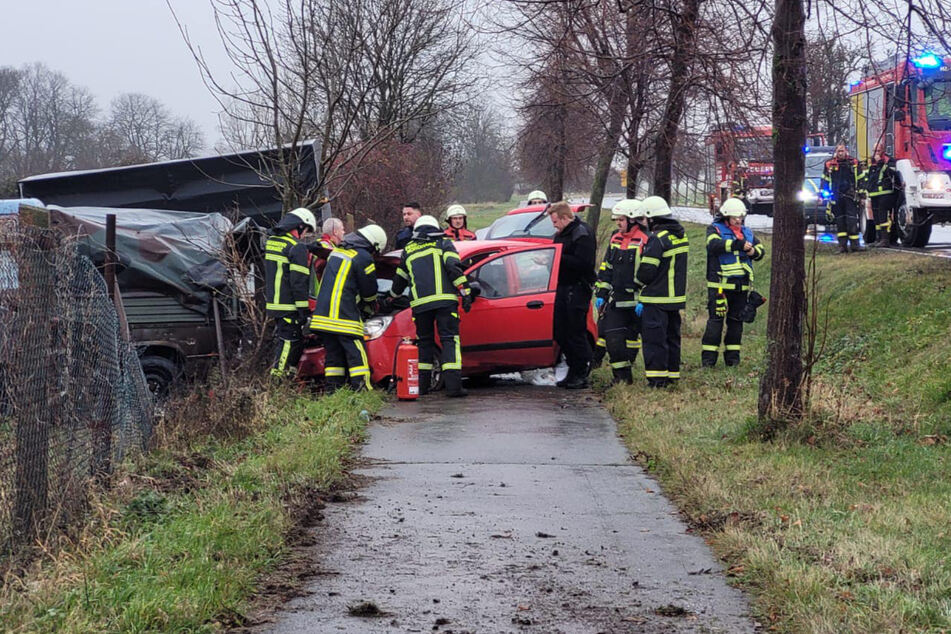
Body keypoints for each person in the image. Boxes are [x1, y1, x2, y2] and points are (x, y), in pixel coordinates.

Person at [389, 215, 474, 397]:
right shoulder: (443, 243)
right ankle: (453, 387)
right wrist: (465, 291)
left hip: (420, 306)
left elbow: (399, 282)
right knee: (449, 340)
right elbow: (453, 267)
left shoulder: (408, 249)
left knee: (425, 344)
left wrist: (390, 299)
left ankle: (423, 386)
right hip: (445, 302)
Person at [310, 223, 388, 391]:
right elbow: (369, 291)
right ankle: (363, 389)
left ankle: (333, 391)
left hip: (322, 316)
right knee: (357, 352)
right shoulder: (363, 257)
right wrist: (372, 305)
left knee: (333, 357)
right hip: (343, 316)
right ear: (373, 245)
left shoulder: (337, 252)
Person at [701, 197, 765, 368]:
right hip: (719, 286)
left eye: (741, 217)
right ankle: (708, 361)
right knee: (715, 321)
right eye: (735, 217)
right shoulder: (714, 229)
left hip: (741, 286)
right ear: (726, 217)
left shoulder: (747, 232)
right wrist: (737, 245)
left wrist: (752, 250)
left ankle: (733, 360)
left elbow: (761, 250)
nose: (739, 220)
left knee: (736, 322)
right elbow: (713, 245)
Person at [594, 199, 650, 385]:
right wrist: (601, 293)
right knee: (613, 339)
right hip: (617, 300)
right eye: (617, 220)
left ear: (633, 219)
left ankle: (635, 372)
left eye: (622, 219)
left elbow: (651, 273)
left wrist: (644, 298)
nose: (618, 223)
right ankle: (622, 378)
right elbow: (607, 267)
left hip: (638, 301)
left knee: (634, 339)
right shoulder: (615, 238)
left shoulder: (646, 240)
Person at [635, 196, 688, 388]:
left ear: (651, 218)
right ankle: (672, 375)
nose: (644, 223)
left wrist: (635, 283)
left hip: (656, 298)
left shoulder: (657, 239)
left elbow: (647, 271)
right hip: (674, 299)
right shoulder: (680, 235)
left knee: (654, 340)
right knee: (672, 338)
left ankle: (657, 380)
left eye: (644, 219)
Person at [549, 201, 597, 389]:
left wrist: (557, 257)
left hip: (577, 288)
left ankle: (581, 371)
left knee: (576, 331)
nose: (554, 226)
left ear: (565, 218)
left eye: (555, 222)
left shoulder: (581, 233)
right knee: (560, 332)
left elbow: (583, 263)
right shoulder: (560, 235)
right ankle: (572, 369)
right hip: (562, 287)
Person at [265, 207, 317, 378]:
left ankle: (289, 378)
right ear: (299, 226)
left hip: (274, 304)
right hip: (289, 306)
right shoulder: (297, 248)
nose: (304, 236)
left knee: (286, 343)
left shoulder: (272, 241)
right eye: (306, 231)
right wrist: (303, 311)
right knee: (290, 342)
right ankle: (278, 381)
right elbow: (298, 282)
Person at [822, 143, 867, 253]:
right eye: (839, 151)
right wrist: (824, 195)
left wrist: (862, 196)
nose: (840, 153)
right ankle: (842, 246)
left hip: (850, 197)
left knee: (852, 221)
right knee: (840, 222)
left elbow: (861, 179)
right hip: (836, 197)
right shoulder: (829, 164)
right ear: (836, 152)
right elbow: (825, 181)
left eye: (842, 151)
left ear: (846, 151)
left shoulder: (854, 163)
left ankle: (855, 245)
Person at [865, 145, 900, 247]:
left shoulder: (889, 161)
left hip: (886, 193)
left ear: (883, 150)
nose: (876, 152)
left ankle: (886, 239)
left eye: (878, 150)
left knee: (883, 216)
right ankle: (878, 238)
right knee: (876, 218)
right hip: (874, 193)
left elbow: (892, 173)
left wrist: (881, 163)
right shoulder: (872, 162)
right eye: (874, 150)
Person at [308, 216, 346, 307]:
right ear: (335, 232)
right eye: (342, 229)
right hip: (320, 298)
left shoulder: (319, 245)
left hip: (316, 297)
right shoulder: (325, 249)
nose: (344, 232)